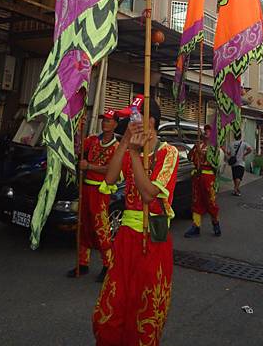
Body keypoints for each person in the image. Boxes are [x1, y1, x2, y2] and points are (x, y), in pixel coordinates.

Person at [93, 97, 179, 346]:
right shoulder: (130, 148)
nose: (130, 122)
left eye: (135, 117)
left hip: (153, 239)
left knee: (145, 309)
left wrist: (134, 152)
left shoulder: (167, 152)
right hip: (126, 239)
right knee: (113, 305)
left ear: (150, 120)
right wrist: (125, 145)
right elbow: (110, 179)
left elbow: (149, 193)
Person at [67, 109, 119, 282]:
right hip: (86, 189)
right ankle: (83, 263)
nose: (105, 123)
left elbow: (112, 169)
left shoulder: (117, 147)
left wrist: (89, 166)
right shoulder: (92, 140)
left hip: (101, 192)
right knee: (82, 225)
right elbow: (77, 149)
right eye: (104, 120)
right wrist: (77, 129)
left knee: (101, 228)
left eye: (109, 120)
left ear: (116, 124)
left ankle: (108, 264)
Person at [184, 124, 221, 238]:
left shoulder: (215, 147)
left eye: (208, 130)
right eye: (205, 130)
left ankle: (216, 224)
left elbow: (214, 162)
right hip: (197, 176)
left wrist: (203, 153)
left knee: (211, 202)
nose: (205, 132)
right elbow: (190, 158)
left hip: (208, 177)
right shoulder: (198, 144)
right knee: (196, 201)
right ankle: (196, 226)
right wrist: (194, 149)